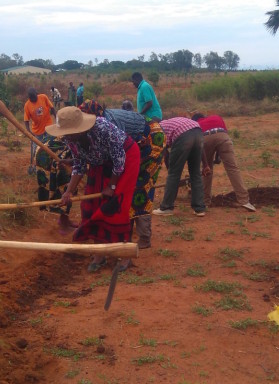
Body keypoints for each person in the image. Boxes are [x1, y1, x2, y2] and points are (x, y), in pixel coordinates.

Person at [49, 107, 141, 272]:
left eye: (70, 133)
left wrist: (112, 186)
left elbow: (119, 160)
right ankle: (100, 253)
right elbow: (79, 165)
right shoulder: (70, 139)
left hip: (126, 157)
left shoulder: (102, 129)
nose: (67, 136)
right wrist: (69, 191)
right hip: (102, 162)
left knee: (116, 205)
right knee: (90, 205)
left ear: (79, 129)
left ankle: (124, 253)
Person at [80, 99, 166, 249]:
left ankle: (144, 237)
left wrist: (112, 185)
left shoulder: (107, 123)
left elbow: (119, 153)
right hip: (136, 143)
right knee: (124, 187)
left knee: (139, 187)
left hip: (151, 139)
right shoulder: (93, 127)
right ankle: (126, 229)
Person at [25, 88, 73, 231]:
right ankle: (49, 202)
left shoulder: (44, 97)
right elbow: (26, 121)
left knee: (56, 172)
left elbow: (52, 109)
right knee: (45, 168)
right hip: (39, 137)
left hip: (49, 133)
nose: (34, 99)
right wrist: (30, 134)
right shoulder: (27, 105)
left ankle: (54, 204)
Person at [191, 113, 255, 212]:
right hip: (223, 137)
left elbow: (199, 142)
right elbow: (222, 136)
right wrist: (218, 157)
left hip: (205, 139)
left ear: (195, 120)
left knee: (207, 169)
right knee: (232, 169)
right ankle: (244, 201)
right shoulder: (216, 117)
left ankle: (205, 201)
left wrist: (206, 163)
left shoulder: (196, 124)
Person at [153, 116, 205, 217]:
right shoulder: (171, 122)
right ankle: (199, 208)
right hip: (198, 132)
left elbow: (164, 152)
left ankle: (167, 207)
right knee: (195, 173)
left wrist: (170, 170)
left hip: (183, 136)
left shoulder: (159, 128)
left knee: (174, 174)